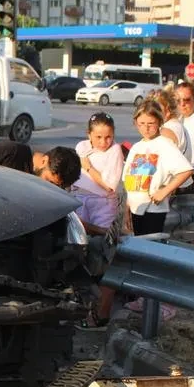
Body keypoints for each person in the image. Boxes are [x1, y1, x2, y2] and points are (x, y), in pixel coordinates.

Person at [73, 112, 124, 327]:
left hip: (103, 202)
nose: (104, 142)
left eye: (108, 137)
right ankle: (79, 307)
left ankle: (100, 311)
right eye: (99, 137)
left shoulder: (115, 151)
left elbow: (109, 184)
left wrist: (88, 167)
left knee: (103, 254)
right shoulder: (82, 147)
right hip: (79, 198)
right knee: (78, 250)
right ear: (89, 135)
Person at [122, 99, 193, 237]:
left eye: (151, 124)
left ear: (160, 122)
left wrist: (164, 191)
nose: (146, 128)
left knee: (151, 246)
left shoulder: (165, 144)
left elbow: (186, 170)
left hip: (154, 209)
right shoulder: (136, 147)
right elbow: (128, 181)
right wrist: (127, 208)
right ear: (136, 123)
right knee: (139, 247)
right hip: (136, 207)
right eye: (142, 124)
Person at [0, 141, 81, 190]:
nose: (52, 189)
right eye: (50, 182)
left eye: (60, 188)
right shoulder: (11, 152)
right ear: (44, 161)